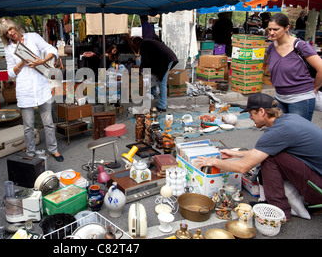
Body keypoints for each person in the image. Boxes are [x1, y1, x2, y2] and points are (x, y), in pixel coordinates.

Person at [193, 93, 322, 221]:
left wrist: (211, 161)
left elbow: (243, 167)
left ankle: (279, 210)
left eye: (251, 114)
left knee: (269, 159)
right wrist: (236, 153)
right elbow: (264, 151)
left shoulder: (278, 131)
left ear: (261, 112)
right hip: (317, 178)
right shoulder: (289, 120)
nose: (250, 118)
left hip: (318, 189)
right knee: (271, 155)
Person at [0, 18, 64, 162]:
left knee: (48, 122)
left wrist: (43, 61)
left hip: (41, 86)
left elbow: (51, 49)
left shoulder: (33, 37)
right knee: (28, 125)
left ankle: (53, 149)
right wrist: (22, 60)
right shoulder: (9, 49)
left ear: (15, 27)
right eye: (6, 32)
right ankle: (31, 152)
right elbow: (11, 73)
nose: (10, 33)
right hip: (25, 89)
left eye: (10, 29)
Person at [266, 13, 322, 121]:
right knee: (281, 131)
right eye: (270, 29)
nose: (271, 33)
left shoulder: (300, 46)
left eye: (276, 29)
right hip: (279, 98)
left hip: (301, 99)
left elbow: (321, 68)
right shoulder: (272, 47)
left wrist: (315, 87)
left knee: (298, 134)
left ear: (287, 28)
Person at [129, 36, 178, 112]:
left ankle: (162, 106)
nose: (135, 47)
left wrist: (140, 66)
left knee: (162, 83)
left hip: (165, 61)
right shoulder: (147, 42)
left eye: (134, 45)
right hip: (166, 59)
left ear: (137, 42)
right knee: (155, 78)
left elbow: (145, 61)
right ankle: (153, 93)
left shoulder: (144, 44)